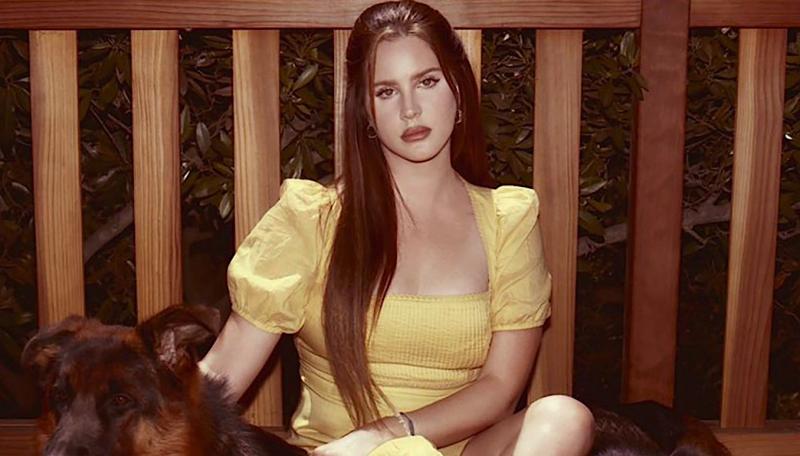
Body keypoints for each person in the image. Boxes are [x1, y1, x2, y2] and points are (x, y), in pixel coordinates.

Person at [199, 1, 594, 455]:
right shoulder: (311, 219)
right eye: (386, 91)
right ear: (366, 111)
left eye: (427, 82)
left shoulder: (508, 222)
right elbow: (220, 378)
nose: (410, 109)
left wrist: (385, 433)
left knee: (564, 418)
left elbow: (501, 388)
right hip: (337, 453)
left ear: (458, 89)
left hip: (458, 449)